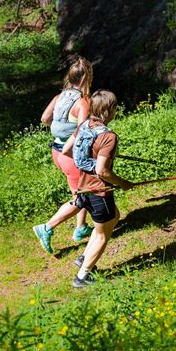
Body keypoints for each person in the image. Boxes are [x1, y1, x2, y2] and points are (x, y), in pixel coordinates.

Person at [36, 89, 133, 287]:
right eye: (114, 107)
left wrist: (86, 161)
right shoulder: (108, 137)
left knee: (114, 216)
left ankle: (84, 258)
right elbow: (103, 171)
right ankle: (83, 276)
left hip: (81, 186)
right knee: (101, 234)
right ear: (109, 111)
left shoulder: (83, 125)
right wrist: (123, 183)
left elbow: (66, 149)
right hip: (98, 190)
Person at [35, 55, 94, 248]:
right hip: (71, 155)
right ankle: (47, 227)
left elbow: (45, 118)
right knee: (81, 197)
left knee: (80, 190)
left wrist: (60, 128)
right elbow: (82, 129)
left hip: (57, 152)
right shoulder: (82, 102)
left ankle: (81, 228)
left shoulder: (58, 97)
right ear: (86, 78)